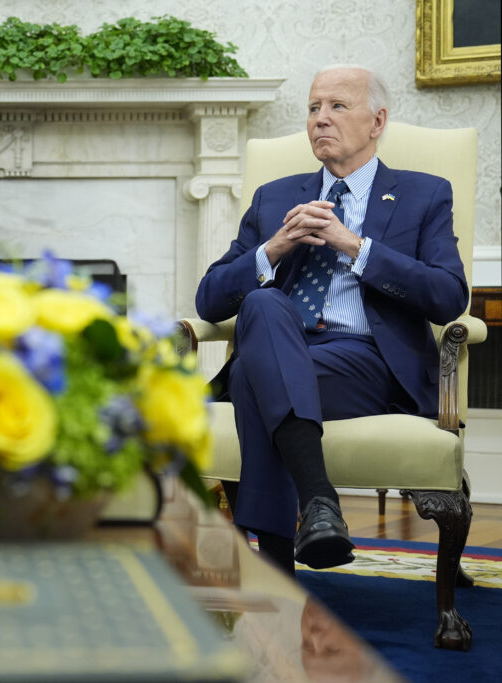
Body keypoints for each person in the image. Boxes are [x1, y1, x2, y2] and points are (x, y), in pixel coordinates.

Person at [195, 65, 468, 574]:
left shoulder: (423, 194)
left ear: (377, 120)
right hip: (279, 346)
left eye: (338, 106)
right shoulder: (275, 198)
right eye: (314, 107)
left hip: (365, 364)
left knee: (255, 380)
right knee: (262, 304)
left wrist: (354, 246)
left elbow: (449, 295)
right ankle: (319, 504)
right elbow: (209, 299)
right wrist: (273, 249)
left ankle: (274, 562)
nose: (320, 119)